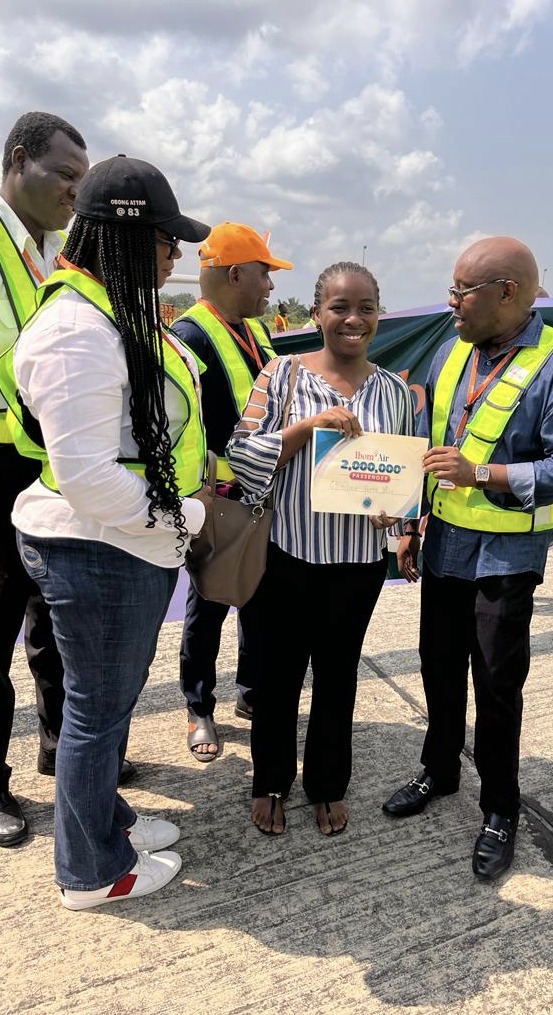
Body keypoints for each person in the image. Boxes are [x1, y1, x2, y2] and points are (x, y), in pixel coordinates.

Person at [9, 154, 211, 907]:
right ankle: (91, 871)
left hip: (123, 542)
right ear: (126, 239)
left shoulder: (106, 313)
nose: (176, 253)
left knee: (110, 704)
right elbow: (91, 476)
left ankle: (107, 820)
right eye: (165, 238)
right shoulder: (75, 333)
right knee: (96, 714)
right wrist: (186, 515)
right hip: (99, 545)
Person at [382, 236, 553, 880]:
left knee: (497, 688)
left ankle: (501, 808)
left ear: (508, 292)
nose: (452, 304)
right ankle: (439, 772)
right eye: (451, 289)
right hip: (443, 546)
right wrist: (414, 522)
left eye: (462, 291)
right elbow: (430, 450)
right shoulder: (450, 352)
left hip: (504, 559)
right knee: (439, 671)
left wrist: (484, 475)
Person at [227, 261, 415, 836]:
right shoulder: (281, 376)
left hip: (356, 565)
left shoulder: (395, 393)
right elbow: (241, 453)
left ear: (378, 315)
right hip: (285, 555)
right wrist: (307, 429)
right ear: (317, 313)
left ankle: (327, 784)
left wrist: (398, 518)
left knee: (338, 677)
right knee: (277, 678)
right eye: (339, 307)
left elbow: (400, 479)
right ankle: (271, 781)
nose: (352, 320)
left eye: (365, 308)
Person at [0, 112, 90, 848]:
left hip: (40, 460)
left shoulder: (50, 253)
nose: (73, 191)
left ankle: (60, 747)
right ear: (18, 160)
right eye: (64, 175)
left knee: (48, 618)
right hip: (0, 459)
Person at [173, 222, 293, 762]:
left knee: (258, 598)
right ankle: (200, 707)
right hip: (217, 499)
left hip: (261, 491)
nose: (270, 288)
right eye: (265, 275)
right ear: (235, 273)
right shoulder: (191, 336)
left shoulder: (255, 332)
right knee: (210, 601)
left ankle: (251, 692)